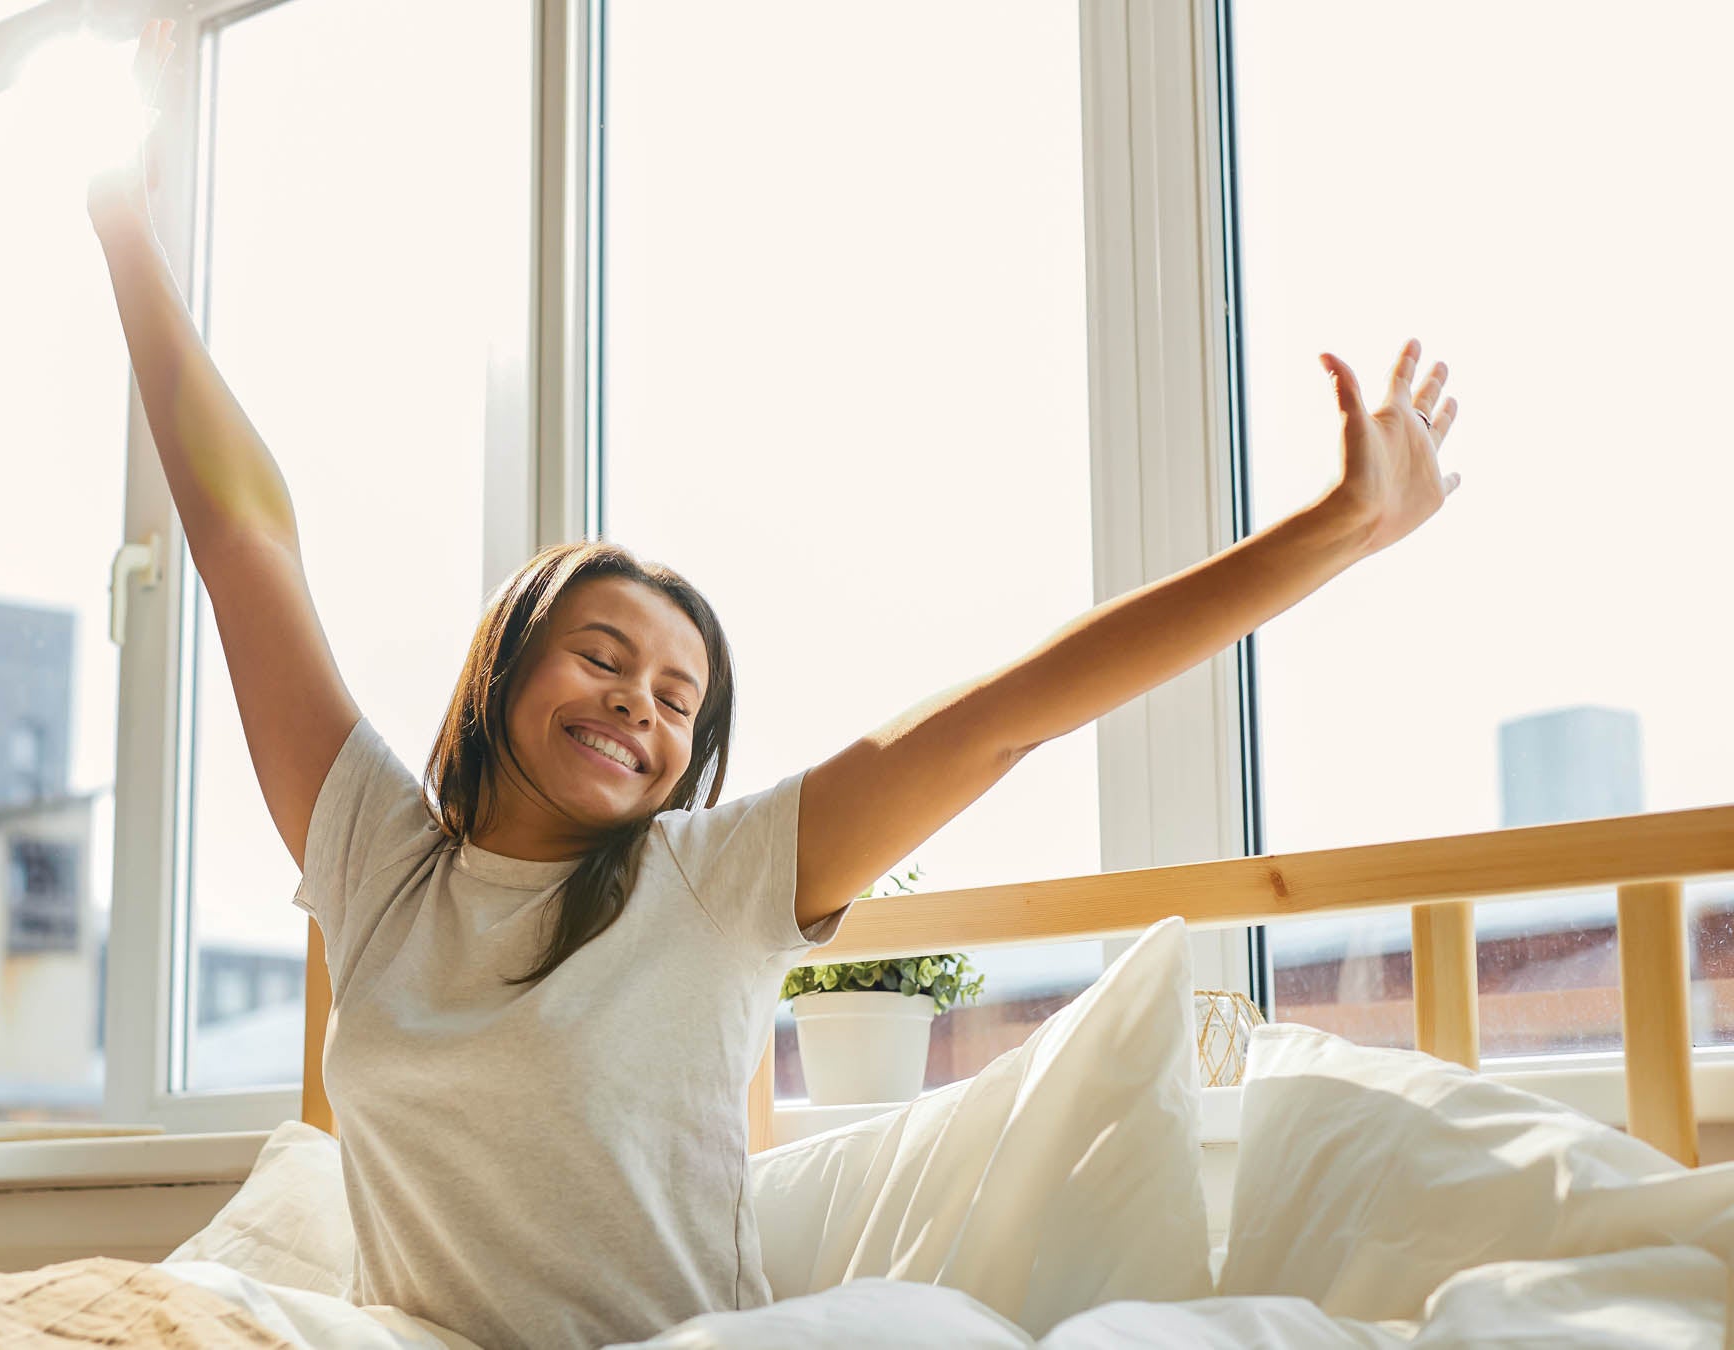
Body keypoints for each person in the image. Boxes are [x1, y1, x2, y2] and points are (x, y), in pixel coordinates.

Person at [84, 21, 1461, 1350]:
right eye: (604, 657)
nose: (641, 704)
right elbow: (244, 540)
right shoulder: (377, 864)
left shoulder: (712, 882)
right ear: (503, 668)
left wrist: (1331, 531)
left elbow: (1008, 719)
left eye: (679, 700)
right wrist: (126, 234)